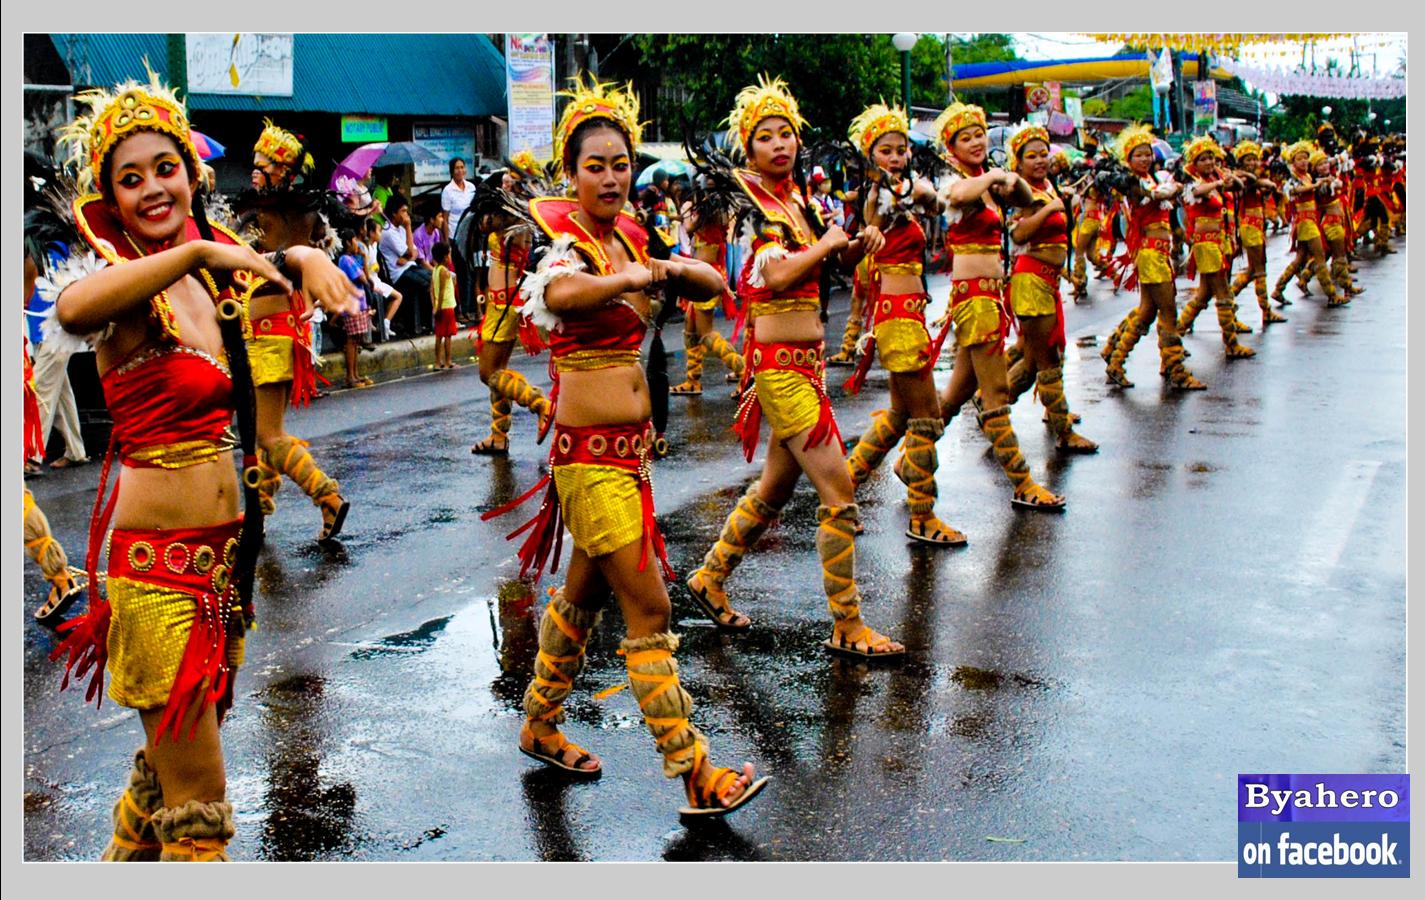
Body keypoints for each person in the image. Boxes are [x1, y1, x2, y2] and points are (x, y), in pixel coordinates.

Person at [47, 73, 350, 861]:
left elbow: (267, 273)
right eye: (130, 177)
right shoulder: (119, 282)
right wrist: (201, 244)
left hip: (222, 570)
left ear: (193, 170)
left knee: (165, 786)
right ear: (110, 198)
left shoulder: (204, 278)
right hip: (158, 576)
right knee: (200, 812)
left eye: (165, 167)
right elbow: (72, 313)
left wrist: (296, 254)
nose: (152, 187)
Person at [491, 76, 766, 819]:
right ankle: (695, 772)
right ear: (570, 173)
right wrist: (636, 277)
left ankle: (540, 720)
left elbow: (711, 284)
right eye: (593, 165)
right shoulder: (565, 246)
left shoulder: (634, 238)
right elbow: (562, 298)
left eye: (619, 163)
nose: (609, 176)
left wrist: (667, 267)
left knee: (582, 596)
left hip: (630, 459)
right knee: (647, 611)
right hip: (587, 463)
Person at [684, 75, 905, 659]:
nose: (779, 144)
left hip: (806, 366)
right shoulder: (754, 203)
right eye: (765, 136)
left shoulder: (800, 203)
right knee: (839, 494)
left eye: (786, 133)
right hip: (780, 369)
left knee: (775, 491)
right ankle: (848, 625)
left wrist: (858, 243)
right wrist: (831, 244)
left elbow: (820, 260)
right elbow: (775, 276)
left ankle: (709, 577)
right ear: (748, 147)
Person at [841, 101, 969, 545]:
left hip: (908, 311)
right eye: (885, 151)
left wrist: (921, 194)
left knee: (898, 415)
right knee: (927, 416)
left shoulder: (907, 191)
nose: (895, 158)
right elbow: (869, 227)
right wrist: (882, 214)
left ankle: (843, 491)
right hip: (897, 317)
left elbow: (936, 204)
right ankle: (922, 514)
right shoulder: (876, 195)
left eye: (900, 150)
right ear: (869, 156)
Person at [930, 102, 1067, 510]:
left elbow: (1023, 195)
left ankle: (906, 464)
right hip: (973, 297)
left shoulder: (986, 181)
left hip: (989, 295)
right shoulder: (954, 178)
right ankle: (1023, 483)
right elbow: (953, 196)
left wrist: (1014, 182)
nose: (976, 142)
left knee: (954, 397)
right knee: (996, 392)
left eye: (979, 135)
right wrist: (993, 173)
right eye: (965, 137)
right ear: (951, 146)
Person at [239, 121, 354, 539]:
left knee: (266, 435)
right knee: (266, 431)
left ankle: (326, 494)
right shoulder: (306, 209)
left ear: (283, 171)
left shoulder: (269, 211)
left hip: (269, 323)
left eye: (262, 164)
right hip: (288, 322)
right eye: (253, 163)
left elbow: (267, 257)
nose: (254, 171)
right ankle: (260, 510)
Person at [1000, 124, 1098, 453]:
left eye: (1044, 153)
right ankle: (1061, 429)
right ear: (1019, 162)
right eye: (1032, 156)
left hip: (1048, 281)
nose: (1040, 160)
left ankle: (990, 405)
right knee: (1044, 360)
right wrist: (1049, 209)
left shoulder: (1047, 186)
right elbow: (1017, 234)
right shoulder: (1020, 190)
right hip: (1030, 281)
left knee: (1034, 358)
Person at [1100, 124, 1204, 390]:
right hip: (1148, 252)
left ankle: (1115, 357)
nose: (1145, 158)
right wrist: (1171, 189)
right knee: (1168, 311)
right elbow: (1153, 196)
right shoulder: (1132, 184)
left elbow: (1168, 199)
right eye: (1138, 155)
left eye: (1148, 154)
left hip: (1159, 250)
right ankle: (1176, 370)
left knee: (1147, 311)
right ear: (1128, 158)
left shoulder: (1154, 178)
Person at [469, 164, 553, 455]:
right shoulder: (521, 213)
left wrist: (487, 203)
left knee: (488, 374)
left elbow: (484, 223)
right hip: (503, 300)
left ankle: (539, 403)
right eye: (504, 180)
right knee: (498, 370)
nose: (504, 184)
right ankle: (498, 436)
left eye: (510, 181)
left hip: (504, 303)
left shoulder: (513, 216)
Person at [1173, 137, 1259, 360]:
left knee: (1204, 294)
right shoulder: (1190, 180)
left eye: (1211, 157)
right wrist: (1220, 183)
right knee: (1222, 292)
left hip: (1221, 239)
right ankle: (1230, 344)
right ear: (1195, 161)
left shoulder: (1216, 176)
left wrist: (1230, 179)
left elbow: (1240, 187)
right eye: (1203, 159)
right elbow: (1197, 192)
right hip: (1205, 243)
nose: (1209, 162)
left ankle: (1176, 334)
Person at [1271, 141, 1344, 307]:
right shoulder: (1294, 178)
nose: (1303, 161)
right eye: (1299, 159)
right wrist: (1315, 185)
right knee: (1320, 257)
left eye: (1305, 158)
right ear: (1293, 161)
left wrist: (1324, 182)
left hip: (1311, 219)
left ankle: (1278, 289)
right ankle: (1331, 294)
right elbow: (1293, 191)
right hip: (1304, 222)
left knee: (1300, 259)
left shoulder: (1308, 176)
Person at [1226, 141, 1290, 328]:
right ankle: (1263, 310)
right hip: (1248, 226)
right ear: (1241, 162)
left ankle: (1234, 302)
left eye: (1255, 159)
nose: (1253, 163)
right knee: (1258, 270)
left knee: (1256, 269)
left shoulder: (1254, 176)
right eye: (1248, 159)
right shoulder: (1239, 177)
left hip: (1258, 225)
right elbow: (1251, 184)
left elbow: (1268, 185)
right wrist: (1254, 178)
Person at [380, 193, 434, 335]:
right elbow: (411, 252)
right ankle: (427, 323)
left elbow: (414, 253)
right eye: (403, 211)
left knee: (433, 277)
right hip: (399, 273)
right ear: (394, 213)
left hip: (408, 267)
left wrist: (407, 258)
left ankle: (428, 322)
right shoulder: (389, 232)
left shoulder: (401, 230)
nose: (406, 215)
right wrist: (409, 227)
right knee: (429, 283)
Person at [336, 229, 376, 388]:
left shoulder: (354, 259)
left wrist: (364, 257)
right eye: (353, 241)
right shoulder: (345, 260)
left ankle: (356, 374)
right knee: (352, 340)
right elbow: (361, 277)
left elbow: (366, 275)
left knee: (357, 340)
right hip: (352, 303)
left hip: (360, 303)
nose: (356, 245)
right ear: (347, 243)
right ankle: (350, 376)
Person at [360, 217, 403, 339]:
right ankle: (383, 323)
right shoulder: (365, 248)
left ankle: (385, 322)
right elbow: (366, 269)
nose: (381, 234)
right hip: (372, 281)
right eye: (378, 231)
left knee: (397, 296)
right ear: (372, 233)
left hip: (376, 279)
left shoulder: (374, 246)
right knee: (397, 296)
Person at [430, 241, 459, 369]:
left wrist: (434, 305)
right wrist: (440, 306)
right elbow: (442, 291)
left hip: (439, 306)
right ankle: (448, 361)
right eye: (450, 255)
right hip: (446, 307)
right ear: (446, 257)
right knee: (447, 335)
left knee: (438, 335)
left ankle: (437, 362)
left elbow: (432, 289)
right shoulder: (444, 272)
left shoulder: (435, 270)